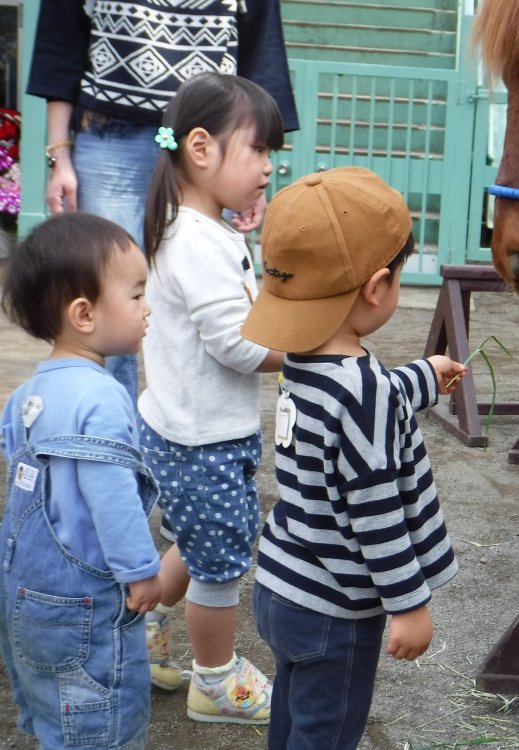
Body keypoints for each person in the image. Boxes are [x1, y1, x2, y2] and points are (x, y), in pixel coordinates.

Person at [240, 166, 464, 749]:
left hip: (282, 584)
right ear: (377, 287)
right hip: (335, 609)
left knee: (293, 718)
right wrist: (410, 603)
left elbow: (364, 404)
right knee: (328, 734)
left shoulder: (303, 359)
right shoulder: (362, 389)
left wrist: (425, 379)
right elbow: (376, 509)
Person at [26, 0, 299, 403]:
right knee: (106, 291)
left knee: (198, 292)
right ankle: (107, 428)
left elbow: (261, 55)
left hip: (214, 147)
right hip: (107, 135)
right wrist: (59, 153)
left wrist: (253, 164)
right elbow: (60, 40)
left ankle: (176, 431)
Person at [136, 71, 285, 724]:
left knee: (190, 539)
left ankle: (142, 624)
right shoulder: (200, 241)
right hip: (202, 441)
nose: (268, 167)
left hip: (179, 431)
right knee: (222, 558)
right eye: (257, 150)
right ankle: (216, 680)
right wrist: (308, 352)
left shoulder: (192, 227)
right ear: (202, 149)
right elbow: (239, 343)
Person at [0, 213, 161, 748]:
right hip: (84, 607)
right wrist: (142, 570)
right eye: (137, 295)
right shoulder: (101, 396)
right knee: (102, 723)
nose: (148, 308)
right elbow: (111, 496)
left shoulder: (25, 396)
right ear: (85, 314)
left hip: (27, 599)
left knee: (58, 719)